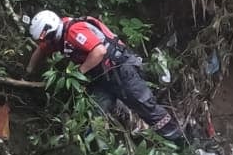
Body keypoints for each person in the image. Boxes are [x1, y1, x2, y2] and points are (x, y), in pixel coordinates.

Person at [24, 9, 183, 142]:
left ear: (52, 29)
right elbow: (41, 50)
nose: (47, 41)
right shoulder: (56, 37)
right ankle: (96, 152)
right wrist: (29, 71)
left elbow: (99, 51)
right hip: (101, 77)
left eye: (48, 37)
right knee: (94, 114)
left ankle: (178, 139)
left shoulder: (73, 31)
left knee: (144, 105)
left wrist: (78, 73)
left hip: (119, 70)